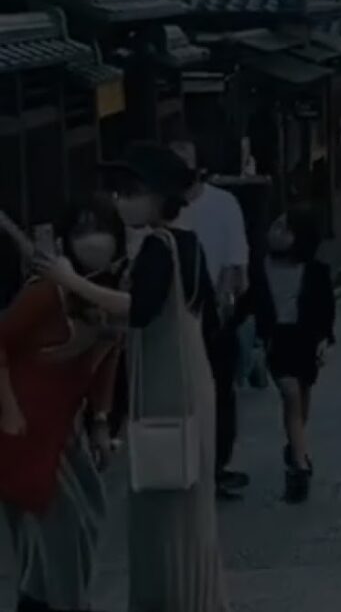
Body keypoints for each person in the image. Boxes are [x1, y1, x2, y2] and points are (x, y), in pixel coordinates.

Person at [33, 141, 228, 611]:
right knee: (185, 498)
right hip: (190, 376)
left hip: (168, 384)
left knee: (162, 499)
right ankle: (195, 595)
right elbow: (161, 314)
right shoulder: (186, 242)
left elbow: (139, 309)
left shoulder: (159, 246)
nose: (121, 202)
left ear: (160, 196)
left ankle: (172, 597)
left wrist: (68, 279)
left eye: (131, 191)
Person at [0, 199, 124, 612]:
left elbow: (107, 362)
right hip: (29, 431)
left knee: (85, 520)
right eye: (83, 228)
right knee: (62, 534)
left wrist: (101, 423)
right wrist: (9, 409)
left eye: (101, 227)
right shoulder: (47, 292)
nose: (94, 238)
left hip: (64, 430)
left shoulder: (110, 293)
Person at [170, 140, 251, 502]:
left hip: (213, 314)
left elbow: (236, 264)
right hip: (171, 314)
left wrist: (224, 303)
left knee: (219, 392)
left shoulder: (222, 204)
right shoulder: (164, 211)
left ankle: (216, 465)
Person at [237, 207, 335, 504]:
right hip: (278, 340)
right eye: (275, 226)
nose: (276, 232)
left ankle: (295, 448)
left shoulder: (316, 271)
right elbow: (249, 303)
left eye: (285, 228)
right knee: (291, 395)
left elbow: (326, 310)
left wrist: (324, 341)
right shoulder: (260, 268)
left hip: (305, 340)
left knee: (301, 402)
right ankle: (300, 467)